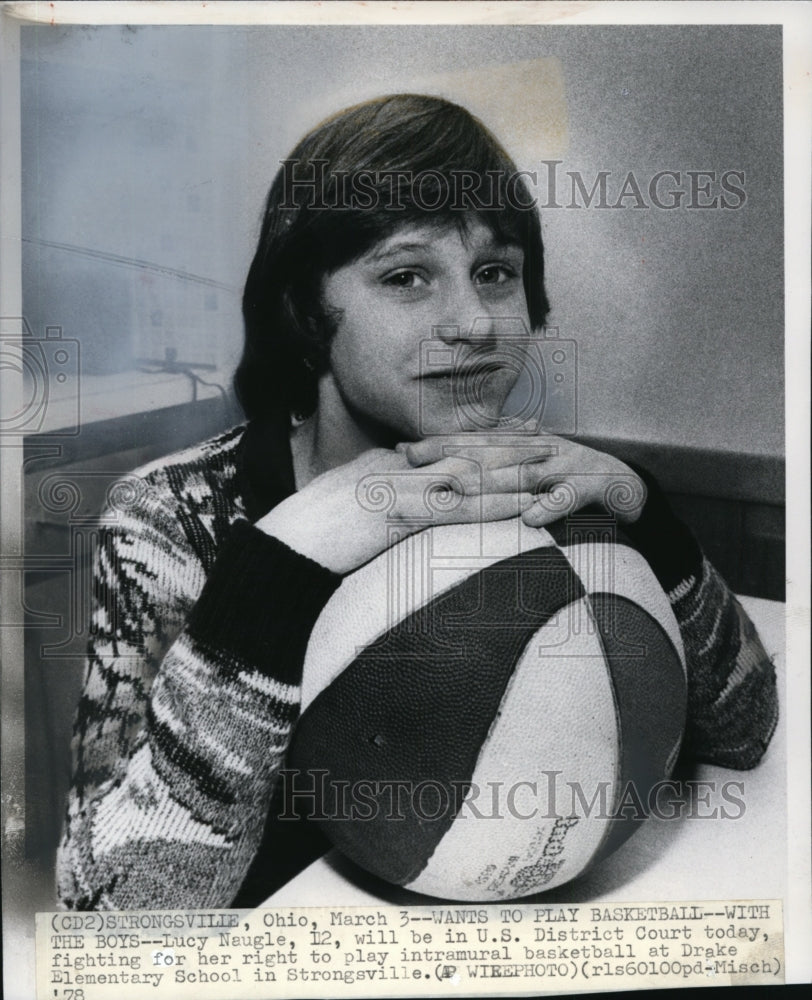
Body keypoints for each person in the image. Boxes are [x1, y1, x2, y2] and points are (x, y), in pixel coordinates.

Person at [57, 94, 778, 911]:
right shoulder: (170, 517)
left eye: (496, 273)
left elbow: (745, 732)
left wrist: (650, 521)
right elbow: (110, 914)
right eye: (406, 277)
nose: (473, 322)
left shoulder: (539, 489)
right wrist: (277, 572)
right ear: (305, 309)